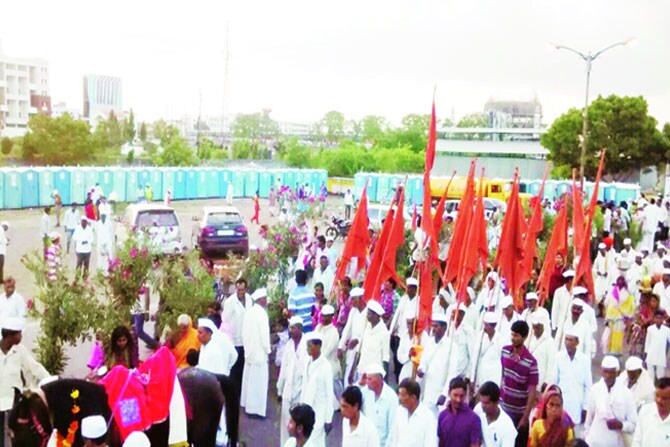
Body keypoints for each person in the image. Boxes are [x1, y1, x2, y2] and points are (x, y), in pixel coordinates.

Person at [0, 317, 49, 445]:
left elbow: (35, 368)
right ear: (10, 336)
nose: (21, 336)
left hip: (14, 404)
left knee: (16, 437)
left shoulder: (20, 351)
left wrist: (50, 381)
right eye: (19, 333)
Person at [584, 355, 637, 447]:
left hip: (616, 443)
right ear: (601, 372)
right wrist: (587, 438)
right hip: (594, 442)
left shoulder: (626, 393)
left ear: (618, 373)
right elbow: (588, 420)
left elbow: (633, 424)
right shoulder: (595, 390)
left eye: (611, 372)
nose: (608, 376)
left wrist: (620, 425)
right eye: (605, 372)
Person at [500, 321, 539, 447]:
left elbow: (532, 390)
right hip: (503, 409)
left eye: (516, 335)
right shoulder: (505, 352)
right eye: (512, 334)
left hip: (519, 414)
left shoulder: (531, 362)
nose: (513, 338)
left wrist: (525, 417)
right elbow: (502, 375)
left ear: (524, 337)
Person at [552, 329, 591, 431]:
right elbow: (554, 382)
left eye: (571, 340)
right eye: (566, 340)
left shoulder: (584, 360)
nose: (567, 343)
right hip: (561, 403)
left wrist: (586, 407)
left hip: (577, 405)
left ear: (577, 342)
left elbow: (588, 386)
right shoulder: (559, 357)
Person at [240, 288, 271, 418]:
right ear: (261, 300)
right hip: (259, 354)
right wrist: (268, 350)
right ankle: (256, 410)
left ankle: (248, 406)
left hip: (250, 352)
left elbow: (244, 334)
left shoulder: (249, 313)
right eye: (265, 298)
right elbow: (265, 336)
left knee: (249, 381)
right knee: (258, 383)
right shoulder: (262, 314)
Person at [300, 332, 334, 446]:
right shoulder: (307, 361)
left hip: (319, 413)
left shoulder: (326, 366)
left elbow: (330, 395)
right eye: (307, 346)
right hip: (306, 411)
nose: (307, 349)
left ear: (318, 346)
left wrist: (328, 419)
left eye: (310, 346)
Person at [278, 317, 308, 446]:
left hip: (300, 392)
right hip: (287, 391)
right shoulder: (289, 345)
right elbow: (284, 368)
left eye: (293, 328)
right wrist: (279, 389)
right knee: (286, 424)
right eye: (290, 328)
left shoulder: (307, 345)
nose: (291, 331)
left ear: (300, 329)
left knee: (299, 427)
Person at [386, 378, 438, 447]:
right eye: (399, 394)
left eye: (403, 395)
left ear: (413, 398)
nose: (399, 398)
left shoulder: (428, 417)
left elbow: (431, 443)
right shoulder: (399, 411)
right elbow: (393, 439)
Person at [222, 278, 251, 395]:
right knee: (235, 368)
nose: (240, 292)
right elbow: (225, 320)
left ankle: (241, 393)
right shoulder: (230, 302)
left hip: (247, 340)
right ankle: (233, 393)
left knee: (243, 369)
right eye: (238, 290)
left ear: (246, 289)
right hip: (235, 340)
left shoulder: (249, 299)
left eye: (242, 290)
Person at [419, 314, 450, 417]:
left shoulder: (451, 346)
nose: (433, 329)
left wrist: (445, 394)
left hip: (440, 392)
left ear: (444, 327)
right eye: (433, 326)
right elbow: (423, 362)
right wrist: (421, 369)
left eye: (436, 326)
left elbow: (452, 373)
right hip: (427, 389)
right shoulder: (429, 342)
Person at [359, 363, 397, 447]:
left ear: (379, 380)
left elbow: (393, 428)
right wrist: (359, 384)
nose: (367, 382)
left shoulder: (391, 397)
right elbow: (349, 400)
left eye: (369, 379)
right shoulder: (364, 392)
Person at [437, 377, 482, 447]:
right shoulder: (442, 416)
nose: (458, 400)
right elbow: (440, 443)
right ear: (449, 393)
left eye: (461, 396)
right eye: (455, 395)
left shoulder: (474, 419)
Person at [354, 300, 390, 384]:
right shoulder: (366, 327)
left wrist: (385, 380)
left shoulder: (384, 332)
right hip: (362, 370)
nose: (367, 316)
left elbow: (385, 357)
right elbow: (361, 349)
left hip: (374, 374)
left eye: (369, 314)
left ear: (376, 315)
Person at [389, 278, 419, 382]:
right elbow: (397, 314)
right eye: (408, 287)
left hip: (412, 336)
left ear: (415, 289)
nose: (408, 290)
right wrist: (391, 331)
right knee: (398, 360)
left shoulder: (418, 302)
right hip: (400, 335)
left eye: (411, 288)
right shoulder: (404, 299)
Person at [474, 381, 518, 447]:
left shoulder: (507, 426)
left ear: (497, 402)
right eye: (482, 402)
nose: (483, 405)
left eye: (487, 403)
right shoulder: (478, 409)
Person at [338, 287, 367, 385]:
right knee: (348, 375)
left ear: (361, 298)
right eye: (352, 298)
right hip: (352, 349)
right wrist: (340, 347)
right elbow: (347, 329)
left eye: (354, 298)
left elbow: (368, 332)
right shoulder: (353, 311)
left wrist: (358, 340)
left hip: (363, 350)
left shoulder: (368, 313)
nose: (352, 301)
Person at [631, 377, 670, 447]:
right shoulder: (645, 411)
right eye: (657, 395)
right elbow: (637, 441)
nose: (659, 400)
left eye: (664, 398)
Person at [315, 304, 341, 407]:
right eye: (323, 315)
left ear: (332, 317)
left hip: (330, 363)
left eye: (327, 316)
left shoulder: (334, 333)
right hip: (318, 360)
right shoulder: (318, 328)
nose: (324, 318)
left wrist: (317, 361)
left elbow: (328, 351)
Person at [470, 312, 503, 391]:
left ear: (493, 326)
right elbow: (475, 358)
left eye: (487, 325)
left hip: (495, 375)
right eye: (484, 324)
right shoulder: (480, 337)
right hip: (481, 375)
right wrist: (472, 378)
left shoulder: (500, 339)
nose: (485, 328)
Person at [604, 275, 635, 355]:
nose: (620, 282)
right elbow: (607, 304)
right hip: (611, 318)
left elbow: (630, 306)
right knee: (609, 335)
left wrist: (626, 315)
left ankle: (617, 352)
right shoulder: (613, 291)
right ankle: (609, 351)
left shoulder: (628, 294)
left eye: (622, 281)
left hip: (621, 318)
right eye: (618, 280)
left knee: (619, 335)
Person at [528, 313, 556, 392]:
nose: (535, 330)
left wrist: (547, 381)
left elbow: (551, 364)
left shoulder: (549, 342)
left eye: (538, 327)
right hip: (529, 378)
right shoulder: (530, 339)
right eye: (534, 327)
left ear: (543, 326)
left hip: (541, 380)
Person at [644, 309, 670, 380]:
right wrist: (646, 353)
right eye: (657, 318)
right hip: (651, 355)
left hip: (661, 356)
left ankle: (659, 390)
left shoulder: (667, 330)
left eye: (660, 318)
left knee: (660, 377)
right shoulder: (650, 329)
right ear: (654, 318)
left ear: (662, 319)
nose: (658, 320)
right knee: (650, 377)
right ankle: (651, 390)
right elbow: (647, 342)